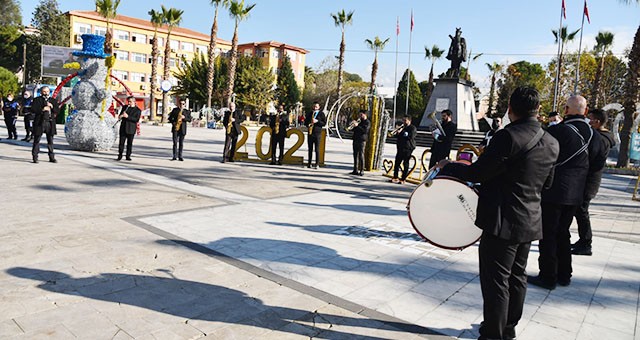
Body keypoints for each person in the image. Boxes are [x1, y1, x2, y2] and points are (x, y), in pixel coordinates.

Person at [436, 87, 559, 340]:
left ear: (510, 108)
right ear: (538, 110)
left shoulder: (507, 136)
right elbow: (547, 184)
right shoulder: (552, 142)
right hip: (530, 219)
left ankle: (492, 334)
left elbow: (478, 173)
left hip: (502, 220)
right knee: (517, 277)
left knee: (496, 282)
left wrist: (451, 166)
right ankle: (508, 328)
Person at [529, 95, 607, 290]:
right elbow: (596, 167)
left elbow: (542, 156)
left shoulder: (559, 131)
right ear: (586, 111)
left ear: (565, 110)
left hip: (554, 190)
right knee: (563, 233)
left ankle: (548, 276)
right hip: (577, 194)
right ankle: (564, 274)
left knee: (548, 234)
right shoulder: (596, 137)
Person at [572, 109, 616, 256]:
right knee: (580, 211)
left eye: (589, 119)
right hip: (587, 180)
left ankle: (586, 243)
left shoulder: (600, 139)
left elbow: (591, 160)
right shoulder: (601, 137)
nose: (588, 121)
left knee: (582, 211)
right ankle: (583, 240)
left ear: (597, 122)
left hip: (588, 181)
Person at [31, 86, 60, 163]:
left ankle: (51, 157)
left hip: (50, 122)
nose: (46, 93)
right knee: (37, 140)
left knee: (50, 141)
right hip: (40, 122)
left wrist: (52, 107)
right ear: (41, 92)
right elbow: (33, 109)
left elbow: (57, 110)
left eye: (47, 91)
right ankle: (35, 157)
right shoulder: (37, 100)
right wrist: (42, 109)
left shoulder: (53, 100)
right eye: (44, 91)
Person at [390, 115, 417, 184]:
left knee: (405, 163)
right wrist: (396, 132)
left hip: (408, 147)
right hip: (400, 147)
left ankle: (403, 179)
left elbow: (410, 137)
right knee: (397, 162)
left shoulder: (412, 128)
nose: (404, 122)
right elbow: (397, 135)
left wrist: (401, 132)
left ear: (409, 121)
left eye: (405, 120)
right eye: (403, 120)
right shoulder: (402, 127)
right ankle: (395, 177)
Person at [116, 96, 141, 161]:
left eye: (130, 101)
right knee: (121, 143)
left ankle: (128, 156)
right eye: (128, 101)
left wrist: (128, 117)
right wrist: (120, 116)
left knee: (129, 143)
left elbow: (136, 119)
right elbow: (120, 115)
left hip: (131, 129)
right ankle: (120, 155)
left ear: (134, 102)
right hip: (123, 128)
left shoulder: (138, 110)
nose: (129, 103)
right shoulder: (125, 107)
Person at [305, 102, 326, 168]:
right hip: (310, 132)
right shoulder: (310, 113)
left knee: (317, 149)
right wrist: (308, 124)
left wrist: (317, 121)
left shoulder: (321, 114)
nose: (315, 108)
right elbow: (306, 122)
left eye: (316, 106)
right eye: (314, 106)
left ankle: (317, 164)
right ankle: (309, 163)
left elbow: (324, 123)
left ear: (319, 107)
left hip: (317, 133)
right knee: (310, 149)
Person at [350, 109, 370, 176]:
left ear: (365, 115)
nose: (360, 116)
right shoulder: (359, 121)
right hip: (355, 139)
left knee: (361, 155)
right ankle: (355, 169)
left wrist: (357, 126)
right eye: (359, 114)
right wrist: (352, 125)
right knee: (355, 155)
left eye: (361, 114)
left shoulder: (367, 122)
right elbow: (353, 129)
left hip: (362, 140)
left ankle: (362, 170)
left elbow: (365, 131)